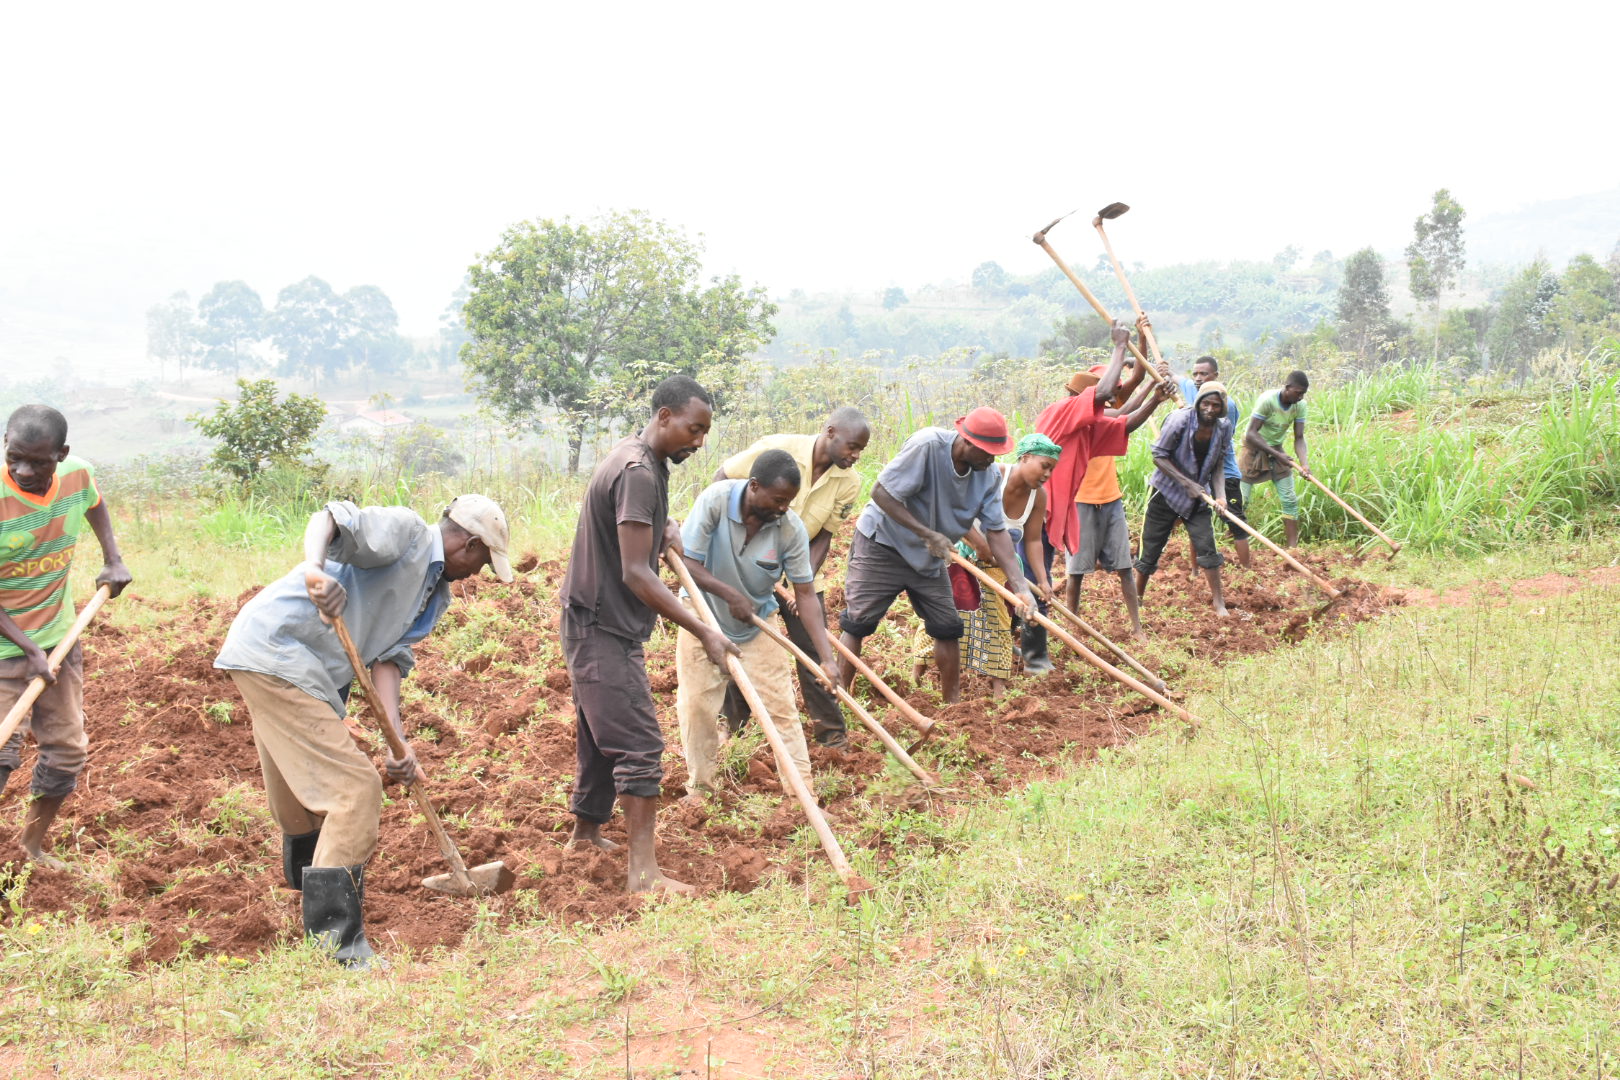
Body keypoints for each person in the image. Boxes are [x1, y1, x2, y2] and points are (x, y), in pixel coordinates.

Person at [215, 493, 513, 968]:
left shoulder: (435, 596)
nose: (479, 573)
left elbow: (388, 660)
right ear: (469, 545)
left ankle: (304, 890)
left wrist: (397, 741)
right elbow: (329, 517)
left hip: (292, 665)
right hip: (281, 649)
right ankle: (337, 945)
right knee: (354, 791)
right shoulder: (409, 533)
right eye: (483, 561)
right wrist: (315, 571)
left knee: (303, 792)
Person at [559, 375, 737, 896]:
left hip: (596, 618)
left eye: (705, 433)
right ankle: (644, 874)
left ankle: (587, 834)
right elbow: (636, 573)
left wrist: (664, 529)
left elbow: (633, 529)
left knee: (598, 735)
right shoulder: (639, 471)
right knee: (639, 744)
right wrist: (703, 628)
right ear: (664, 416)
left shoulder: (639, 460)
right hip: (600, 624)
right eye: (693, 429)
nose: (699, 442)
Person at [0, 405, 132, 869]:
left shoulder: (77, 476)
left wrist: (113, 558)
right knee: (1, 754)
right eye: (14, 457)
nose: (23, 471)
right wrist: (31, 650)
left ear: (62, 454)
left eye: (38, 462)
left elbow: (94, 503)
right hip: (5, 650)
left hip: (59, 638)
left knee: (67, 752)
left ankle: (30, 848)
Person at [839, 407, 1035, 705]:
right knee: (858, 623)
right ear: (967, 442)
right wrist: (927, 534)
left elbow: (997, 532)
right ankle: (837, 696)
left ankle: (952, 706)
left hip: (930, 557)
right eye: (988, 453)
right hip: (883, 545)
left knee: (947, 626)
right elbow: (881, 493)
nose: (993, 460)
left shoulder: (988, 475)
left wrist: (1020, 586)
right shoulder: (927, 446)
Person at [676, 450, 841, 798]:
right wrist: (728, 594)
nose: (784, 508)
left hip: (755, 625)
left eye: (789, 502)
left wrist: (826, 658)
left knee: (782, 710)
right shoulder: (715, 501)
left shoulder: (789, 529)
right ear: (754, 486)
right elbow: (686, 562)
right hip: (701, 618)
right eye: (779, 499)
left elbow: (806, 594)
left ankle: (802, 795)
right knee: (698, 709)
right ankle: (700, 791)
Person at [715, 407, 868, 747]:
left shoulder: (849, 483)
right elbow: (721, 480)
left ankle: (832, 737)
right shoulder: (776, 451)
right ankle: (731, 729)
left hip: (799, 571)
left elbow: (824, 536)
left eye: (860, 450)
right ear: (830, 433)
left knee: (815, 650)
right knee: (744, 644)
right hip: (749, 570)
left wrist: (802, 583)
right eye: (852, 446)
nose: (855, 456)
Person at [936, 434, 1061, 696]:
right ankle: (929, 669)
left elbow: (1034, 540)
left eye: (1052, 468)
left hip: (998, 566)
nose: (1048, 473)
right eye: (1044, 466)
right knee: (948, 617)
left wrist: (1042, 581)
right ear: (1025, 458)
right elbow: (959, 513)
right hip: (964, 559)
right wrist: (981, 548)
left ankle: (997, 679)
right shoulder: (993, 475)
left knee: (1000, 621)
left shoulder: (1038, 496)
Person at [1065, 357, 1175, 639]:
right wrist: (1154, 393)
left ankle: (1137, 628)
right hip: (1081, 503)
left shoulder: (1100, 415)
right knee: (1076, 571)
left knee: (1125, 566)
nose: (1109, 398)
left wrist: (1153, 385)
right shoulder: (1075, 419)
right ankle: (1072, 627)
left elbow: (1126, 408)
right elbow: (1126, 415)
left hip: (1111, 499)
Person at [1134, 383, 1234, 616]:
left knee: (1206, 546)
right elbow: (1159, 456)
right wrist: (1186, 482)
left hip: (1199, 496)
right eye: (1206, 403)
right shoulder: (1179, 420)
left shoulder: (1223, 428)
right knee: (1150, 548)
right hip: (1166, 492)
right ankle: (1137, 597)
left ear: (1222, 408)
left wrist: (1220, 496)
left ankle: (1219, 602)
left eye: (1216, 405)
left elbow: (1218, 463)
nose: (1210, 409)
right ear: (1198, 402)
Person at [1179, 355, 1252, 569]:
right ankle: (1194, 571)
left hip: (1225, 472)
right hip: (1198, 474)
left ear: (1215, 376)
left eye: (1204, 374)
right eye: (1196, 374)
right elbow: (1176, 379)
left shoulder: (1226, 405)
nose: (1198, 378)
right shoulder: (1195, 391)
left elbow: (1217, 441)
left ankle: (1246, 570)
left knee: (1235, 521)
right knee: (1195, 523)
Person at [1240, 370, 1311, 549]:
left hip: (1277, 450)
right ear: (1287, 388)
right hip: (1254, 449)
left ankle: (1292, 548)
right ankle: (1232, 540)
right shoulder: (1268, 401)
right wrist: (1279, 455)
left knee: (1289, 499)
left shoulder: (1300, 406)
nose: (1301, 397)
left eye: (1303, 394)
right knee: (1242, 499)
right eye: (1298, 393)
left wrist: (1304, 464)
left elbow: (1299, 437)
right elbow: (1251, 433)